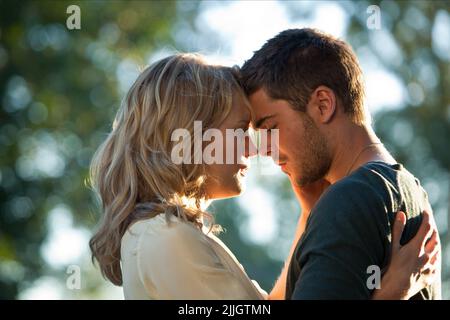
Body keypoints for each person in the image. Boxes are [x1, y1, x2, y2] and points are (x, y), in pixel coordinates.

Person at [89, 53, 438, 300]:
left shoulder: (171, 233)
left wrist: (306, 215)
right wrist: (390, 296)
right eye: (242, 129)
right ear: (194, 134)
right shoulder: (167, 239)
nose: (255, 149)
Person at [239, 28, 441, 299]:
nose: (263, 148)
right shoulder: (412, 191)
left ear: (323, 104)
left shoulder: (350, 199)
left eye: (270, 127)